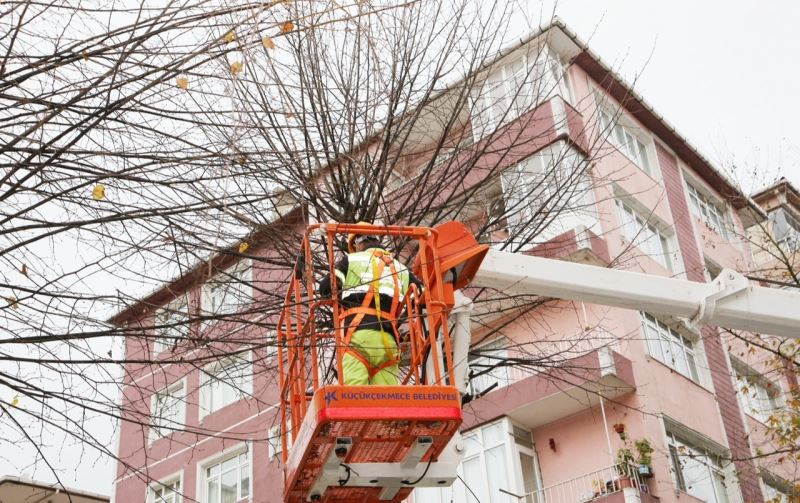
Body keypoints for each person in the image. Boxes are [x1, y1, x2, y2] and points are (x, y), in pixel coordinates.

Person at [318, 223, 422, 385]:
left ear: (357, 244)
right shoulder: (401, 268)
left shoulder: (352, 260)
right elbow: (421, 295)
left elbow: (325, 289)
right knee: (387, 401)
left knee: (356, 398)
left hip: (358, 336)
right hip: (388, 341)